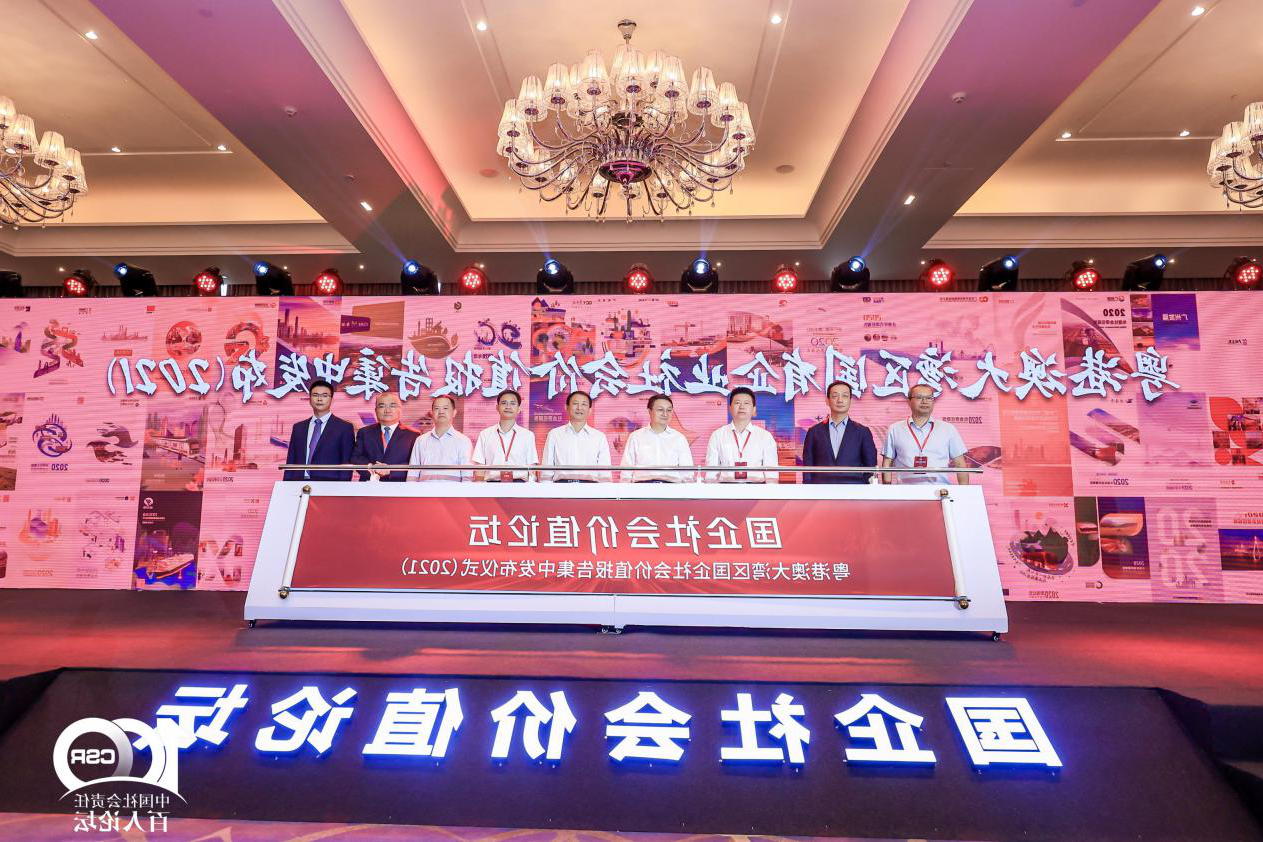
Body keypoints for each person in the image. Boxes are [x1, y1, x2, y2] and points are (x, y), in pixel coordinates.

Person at [880, 383, 970, 484]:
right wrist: (887, 490)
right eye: (919, 397)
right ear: (909, 401)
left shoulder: (948, 429)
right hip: (905, 491)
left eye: (929, 398)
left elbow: (960, 464)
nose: (924, 401)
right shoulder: (895, 429)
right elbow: (887, 462)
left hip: (940, 490)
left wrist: (964, 491)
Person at [801, 381, 877, 484]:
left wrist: (861, 488)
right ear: (827, 401)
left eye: (845, 396)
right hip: (821, 490)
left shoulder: (863, 432)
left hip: (853, 490)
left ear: (850, 401)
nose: (840, 400)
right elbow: (808, 466)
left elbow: (870, 467)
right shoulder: (814, 432)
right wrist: (808, 489)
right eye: (835, 396)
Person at [283, 379, 355, 481]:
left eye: (324, 396)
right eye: (315, 395)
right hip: (298, 482)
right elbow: (291, 461)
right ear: (309, 399)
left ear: (331, 399)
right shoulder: (298, 428)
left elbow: (346, 463)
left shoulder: (344, 428)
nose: (319, 399)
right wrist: (286, 484)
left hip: (330, 483)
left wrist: (342, 487)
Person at [704, 386, 779, 483]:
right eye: (737, 403)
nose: (742, 407)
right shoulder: (717, 435)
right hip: (725, 489)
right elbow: (711, 473)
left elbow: (772, 474)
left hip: (757, 489)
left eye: (746, 403)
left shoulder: (765, 436)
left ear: (754, 409)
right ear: (730, 408)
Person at [620, 394, 694, 482]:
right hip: (642, 486)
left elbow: (687, 473)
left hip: (671, 486)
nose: (665, 414)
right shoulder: (635, 437)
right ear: (649, 411)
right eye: (660, 410)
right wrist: (625, 489)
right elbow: (626, 470)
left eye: (669, 410)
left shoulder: (679, 438)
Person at [541, 390, 611, 482]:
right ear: (566, 407)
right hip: (561, 486)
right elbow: (547, 469)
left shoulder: (599, 437)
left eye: (584, 404)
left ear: (590, 410)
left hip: (590, 487)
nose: (579, 408)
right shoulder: (554, 434)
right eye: (575, 403)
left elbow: (605, 473)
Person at [471, 389, 538, 482]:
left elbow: (532, 468)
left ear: (519, 409)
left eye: (512, 403)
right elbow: (479, 468)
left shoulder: (528, 436)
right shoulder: (485, 434)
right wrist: (479, 487)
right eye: (504, 403)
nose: (508, 407)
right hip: (491, 485)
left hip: (520, 485)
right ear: (497, 407)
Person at [350, 392, 419, 482]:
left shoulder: (413, 435)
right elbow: (356, 458)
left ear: (400, 410)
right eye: (382, 406)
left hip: (400, 485)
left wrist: (390, 471)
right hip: (369, 484)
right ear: (376, 410)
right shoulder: (364, 432)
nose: (387, 410)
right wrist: (372, 468)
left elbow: (415, 463)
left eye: (392, 406)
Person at [408, 395, 474, 481]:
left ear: (454, 412)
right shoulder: (421, 440)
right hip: (424, 489)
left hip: (452, 489)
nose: (441, 412)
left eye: (445, 408)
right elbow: (412, 474)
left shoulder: (464, 441)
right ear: (432, 413)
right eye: (437, 408)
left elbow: (467, 477)